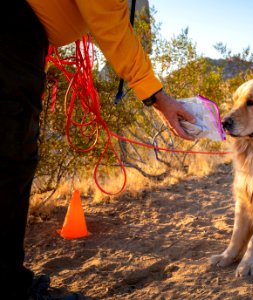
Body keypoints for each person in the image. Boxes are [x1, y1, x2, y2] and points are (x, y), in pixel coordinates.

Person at [0, 1, 195, 299]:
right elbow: (111, 23)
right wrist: (158, 98)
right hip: (11, 32)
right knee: (10, 162)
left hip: (21, 37)